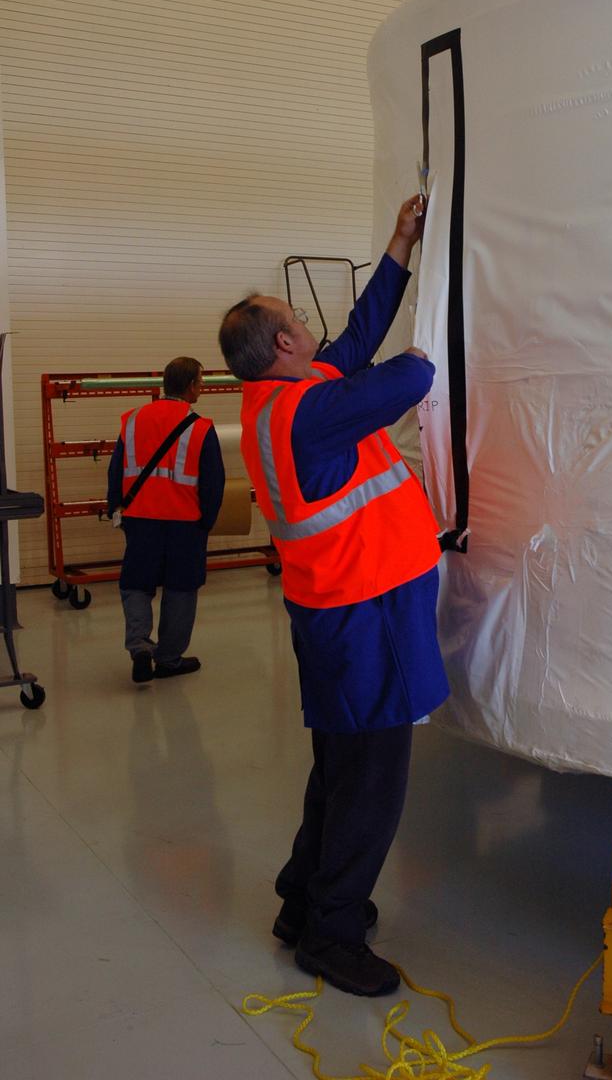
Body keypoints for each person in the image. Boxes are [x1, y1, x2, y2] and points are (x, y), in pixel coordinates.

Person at [218, 195, 449, 998]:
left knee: (338, 769)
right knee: (373, 782)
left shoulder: (276, 400)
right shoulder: (312, 414)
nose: (314, 328)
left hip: (334, 615)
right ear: (284, 343)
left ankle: (299, 901)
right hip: (366, 613)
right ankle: (332, 933)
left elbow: (355, 338)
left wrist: (402, 245)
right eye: (299, 321)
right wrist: (450, 315)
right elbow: (411, 374)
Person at [107, 357, 225, 684]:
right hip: (185, 523)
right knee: (181, 589)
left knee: (135, 583)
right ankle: (169, 659)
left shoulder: (133, 420)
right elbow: (214, 482)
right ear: (190, 386)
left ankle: (140, 647)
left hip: (140, 519)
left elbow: (116, 469)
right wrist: (207, 521)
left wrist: (116, 508)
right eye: (200, 382)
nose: (201, 387)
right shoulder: (200, 427)